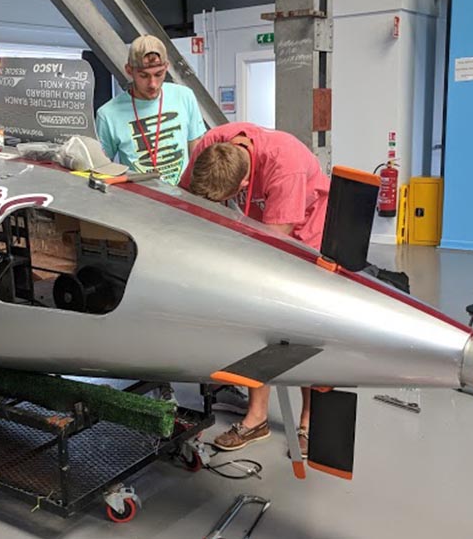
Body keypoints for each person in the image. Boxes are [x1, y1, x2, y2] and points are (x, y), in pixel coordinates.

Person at [179, 121, 331, 456]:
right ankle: (257, 417)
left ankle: (309, 420)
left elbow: (272, 250)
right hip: (262, 221)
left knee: (305, 325)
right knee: (254, 323)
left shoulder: (284, 166)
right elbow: (186, 199)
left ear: (245, 184)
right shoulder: (212, 145)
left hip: (306, 229)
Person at [95, 35, 206, 185]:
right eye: (144, 76)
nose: (152, 84)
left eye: (159, 74)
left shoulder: (184, 96)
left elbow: (196, 148)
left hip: (183, 196)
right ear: (129, 70)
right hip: (141, 199)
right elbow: (103, 168)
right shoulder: (107, 114)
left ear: (166, 67)